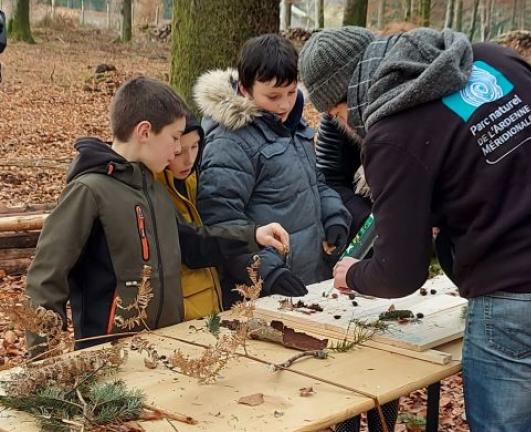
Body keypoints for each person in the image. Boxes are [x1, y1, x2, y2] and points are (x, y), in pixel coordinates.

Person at [299, 27, 531, 432]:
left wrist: (351, 272)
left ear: (349, 95)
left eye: (335, 114)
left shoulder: (391, 132)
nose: (344, 126)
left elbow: (400, 272)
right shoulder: (495, 59)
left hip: (517, 287)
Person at [25, 77, 289, 355]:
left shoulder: (154, 190)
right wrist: (46, 362)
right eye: (174, 137)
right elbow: (45, 280)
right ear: (144, 132)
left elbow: (190, 243)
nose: (178, 149)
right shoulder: (89, 191)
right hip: (110, 360)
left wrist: (251, 235)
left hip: (164, 350)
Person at [194, 34, 351, 305]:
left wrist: (334, 216)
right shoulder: (228, 142)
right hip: (262, 291)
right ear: (245, 89)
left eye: (291, 93)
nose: (284, 105)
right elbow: (222, 220)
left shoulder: (292, 125)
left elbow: (317, 182)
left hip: (309, 278)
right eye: (273, 96)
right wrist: (268, 272)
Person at [156, 113, 230, 320]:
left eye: (195, 147)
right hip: (183, 315)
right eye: (179, 152)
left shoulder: (195, 181)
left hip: (212, 305)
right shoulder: (152, 189)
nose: (189, 159)